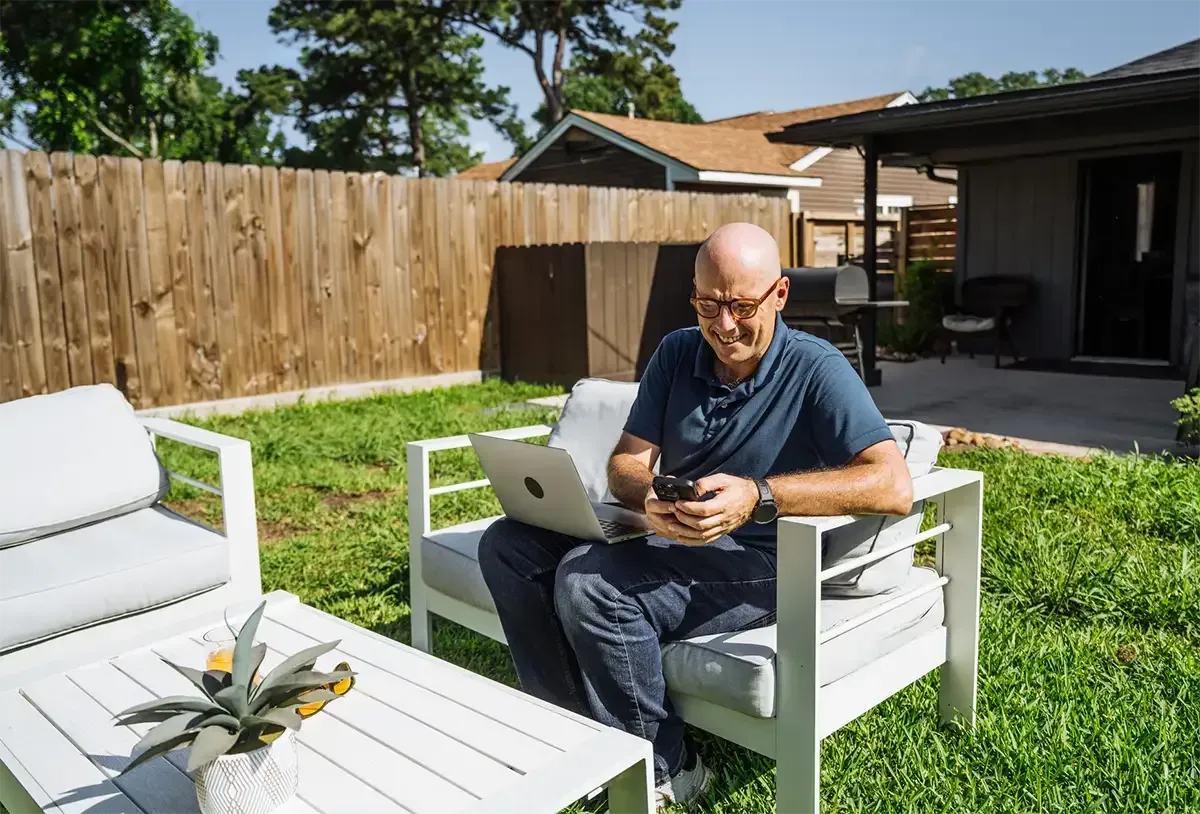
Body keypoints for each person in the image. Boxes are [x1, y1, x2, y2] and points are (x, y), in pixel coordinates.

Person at [477, 222, 914, 808]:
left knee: (588, 582)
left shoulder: (817, 368)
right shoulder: (679, 351)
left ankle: (668, 769)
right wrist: (651, 495)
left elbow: (893, 483)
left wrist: (757, 497)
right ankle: (580, 742)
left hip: (764, 560)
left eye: (740, 305)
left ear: (780, 295)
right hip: (670, 537)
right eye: (709, 304)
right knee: (508, 545)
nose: (724, 325)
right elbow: (626, 463)